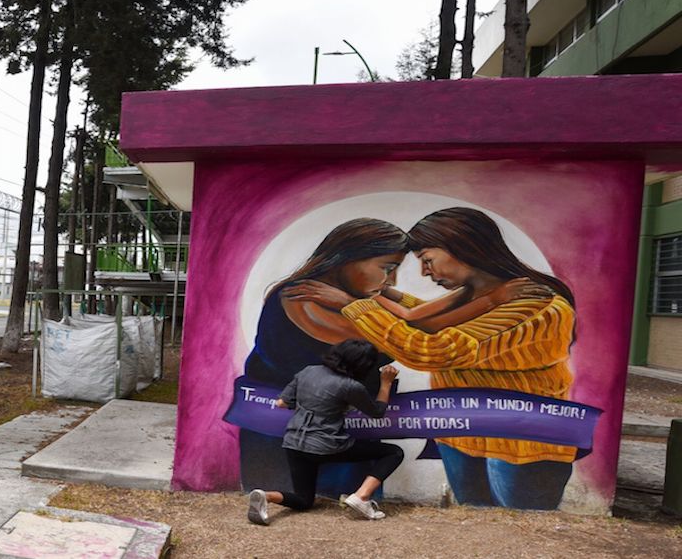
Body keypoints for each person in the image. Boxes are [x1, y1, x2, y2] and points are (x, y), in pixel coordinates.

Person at [300, 208, 577, 510]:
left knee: (520, 525)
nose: (424, 272)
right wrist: (377, 294)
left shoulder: (534, 305)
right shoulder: (479, 295)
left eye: (427, 260)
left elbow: (431, 349)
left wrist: (352, 304)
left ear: (464, 247)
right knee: (473, 518)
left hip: (523, 443)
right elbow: (424, 317)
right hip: (462, 435)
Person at [234, 218, 410, 497]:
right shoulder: (301, 297)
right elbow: (396, 343)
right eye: (387, 268)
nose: (392, 281)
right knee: (305, 497)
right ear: (348, 258)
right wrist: (358, 307)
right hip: (286, 435)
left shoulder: (356, 302)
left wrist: (355, 304)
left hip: (333, 431)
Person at [246, 340, 404, 524]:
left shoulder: (308, 371)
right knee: (393, 452)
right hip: (326, 446)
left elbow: (281, 403)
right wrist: (386, 383)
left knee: (304, 501)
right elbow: (377, 412)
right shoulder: (350, 386)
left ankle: (266, 495)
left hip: (294, 444)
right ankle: (361, 496)